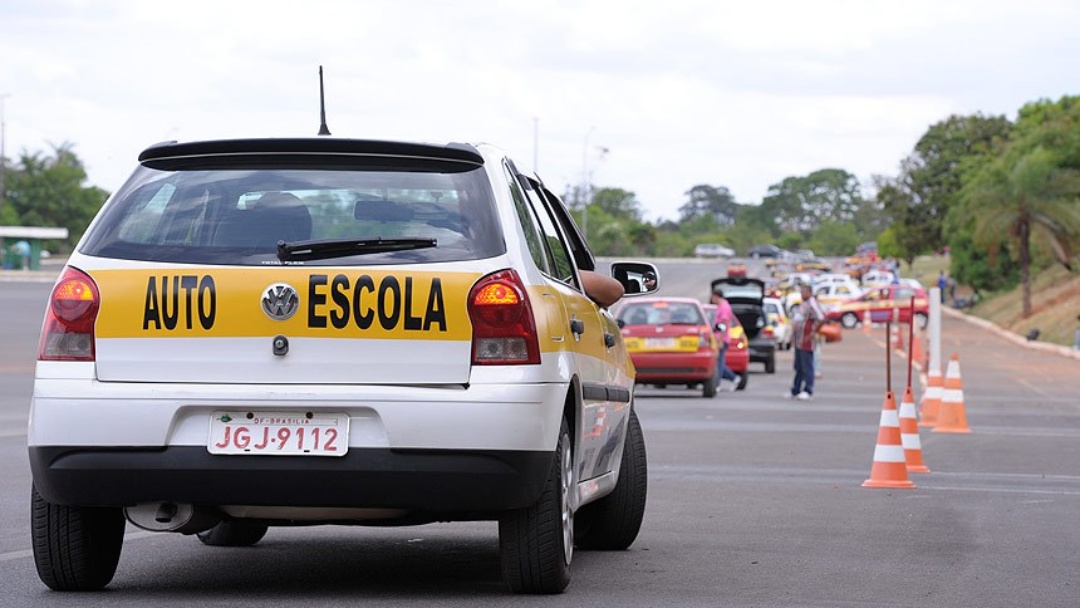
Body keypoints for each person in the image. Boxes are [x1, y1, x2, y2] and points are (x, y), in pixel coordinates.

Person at [787, 281, 825, 401]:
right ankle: (795, 389)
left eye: (804, 291)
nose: (802, 294)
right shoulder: (803, 304)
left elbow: (821, 318)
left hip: (806, 341)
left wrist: (813, 333)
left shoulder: (812, 304)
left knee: (807, 366)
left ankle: (808, 389)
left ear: (809, 292)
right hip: (798, 341)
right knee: (798, 366)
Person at [710, 288, 741, 391]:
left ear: (715, 296)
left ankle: (717, 384)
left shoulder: (724, 307)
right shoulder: (722, 306)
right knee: (719, 362)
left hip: (721, 339)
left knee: (719, 364)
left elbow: (724, 324)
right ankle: (734, 378)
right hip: (719, 338)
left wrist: (721, 340)